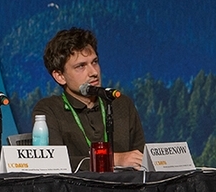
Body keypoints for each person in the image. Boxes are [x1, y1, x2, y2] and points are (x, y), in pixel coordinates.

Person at [32, 27, 145, 171]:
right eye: (81, 66)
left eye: (95, 62)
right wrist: (112, 159)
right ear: (60, 76)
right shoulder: (49, 110)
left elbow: (140, 158)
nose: (93, 72)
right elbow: (51, 163)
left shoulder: (121, 104)